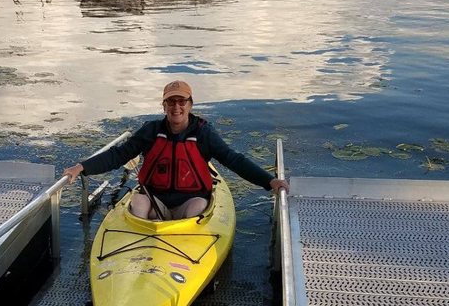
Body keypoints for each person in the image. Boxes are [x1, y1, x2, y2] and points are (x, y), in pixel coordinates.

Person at [63, 79, 289, 219]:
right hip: (156, 203)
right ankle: (141, 243)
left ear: (190, 105)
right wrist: (82, 167)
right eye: (171, 102)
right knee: (138, 202)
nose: (176, 107)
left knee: (198, 206)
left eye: (182, 102)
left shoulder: (203, 133)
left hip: (190, 203)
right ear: (164, 106)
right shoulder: (151, 131)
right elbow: (119, 154)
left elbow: (234, 159)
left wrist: (269, 181)